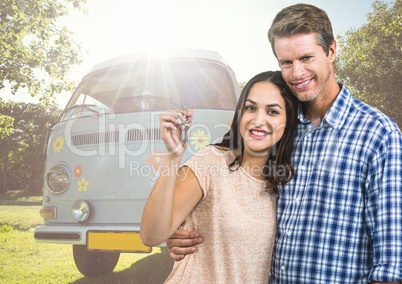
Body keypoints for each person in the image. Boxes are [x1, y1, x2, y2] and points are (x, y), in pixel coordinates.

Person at [166, 3, 402, 283]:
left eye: (306, 58)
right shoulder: (278, 129)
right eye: (286, 62)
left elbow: (390, 261)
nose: (297, 73)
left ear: (331, 51)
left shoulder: (378, 133)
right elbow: (241, 198)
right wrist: (185, 230)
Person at [140, 71, 298, 283]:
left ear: (288, 121)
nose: (259, 120)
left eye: (272, 111)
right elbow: (151, 235)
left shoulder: (282, 183)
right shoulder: (210, 161)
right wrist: (173, 157)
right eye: (251, 108)